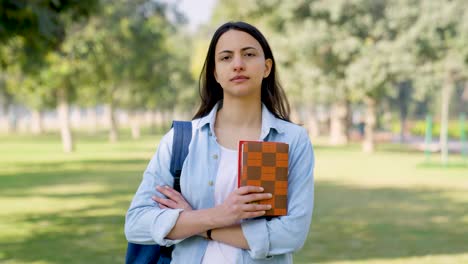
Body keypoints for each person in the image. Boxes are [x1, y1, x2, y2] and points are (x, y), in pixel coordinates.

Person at [125, 21, 315, 263]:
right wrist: (219, 214)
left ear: (267, 67)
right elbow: (135, 224)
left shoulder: (292, 140)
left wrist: (200, 225)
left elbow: (291, 235)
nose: (238, 64)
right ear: (215, 73)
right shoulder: (181, 139)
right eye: (226, 57)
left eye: (248, 54)